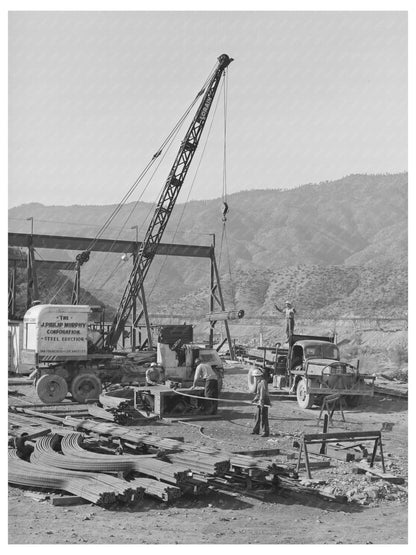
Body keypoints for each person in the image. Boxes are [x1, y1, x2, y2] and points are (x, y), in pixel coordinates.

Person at [251, 369, 271, 437]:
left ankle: (265, 432)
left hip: (264, 401)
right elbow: (258, 394)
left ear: (259, 376)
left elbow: (262, 393)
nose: (255, 378)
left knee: (263, 417)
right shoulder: (259, 382)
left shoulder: (263, 382)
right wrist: (255, 399)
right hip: (260, 400)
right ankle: (256, 430)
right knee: (257, 415)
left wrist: (261, 402)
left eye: (256, 377)